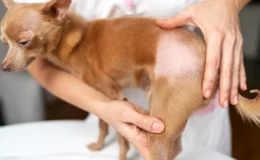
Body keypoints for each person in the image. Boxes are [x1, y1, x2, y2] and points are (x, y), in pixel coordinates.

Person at [14, 0, 250, 159]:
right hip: (102, 101)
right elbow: (39, 63)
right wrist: (102, 107)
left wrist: (227, 4)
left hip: (192, 86)